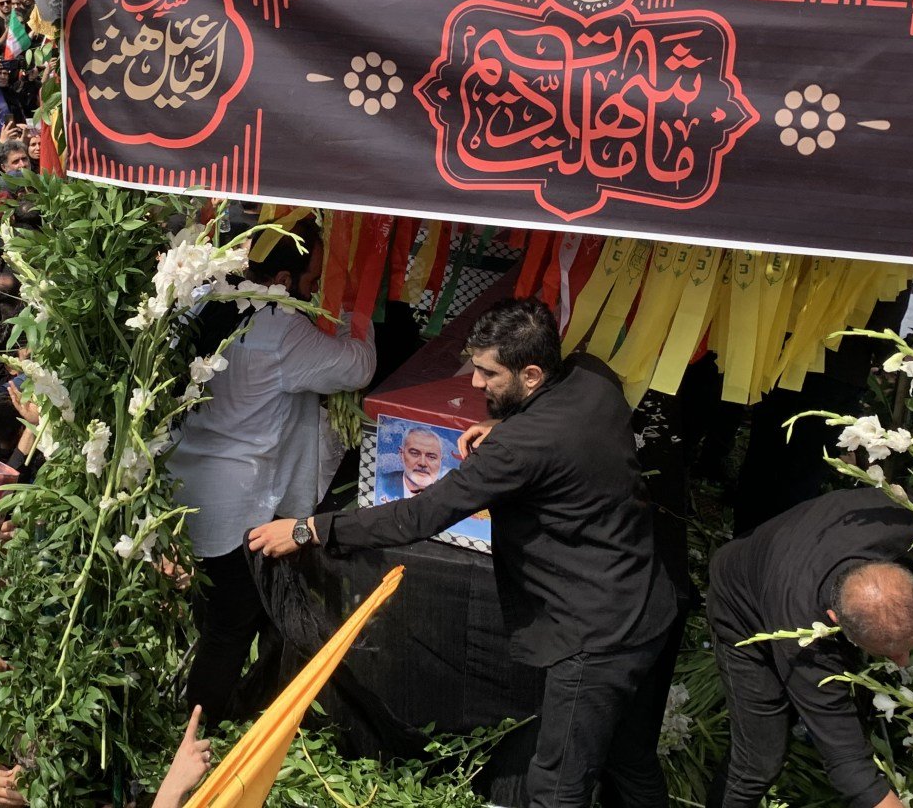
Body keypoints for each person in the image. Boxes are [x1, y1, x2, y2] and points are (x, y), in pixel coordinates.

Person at [250, 298, 679, 806]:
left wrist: (308, 529)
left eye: (487, 373)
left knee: (557, 785)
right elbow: (561, 432)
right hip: (651, 605)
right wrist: (506, 426)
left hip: (595, 635)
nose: (474, 384)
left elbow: (417, 516)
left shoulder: (519, 449)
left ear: (533, 375)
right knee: (632, 763)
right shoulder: (593, 378)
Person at [170, 224, 375, 724]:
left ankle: (217, 711)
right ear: (285, 276)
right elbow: (356, 367)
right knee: (230, 626)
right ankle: (196, 734)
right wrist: (358, 314)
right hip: (237, 501)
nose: (317, 290)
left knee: (215, 612)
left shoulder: (204, 301)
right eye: (315, 278)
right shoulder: (283, 326)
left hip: (183, 483)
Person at [703, 487, 913, 808]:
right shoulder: (802, 634)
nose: (903, 662)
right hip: (741, 603)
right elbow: (846, 762)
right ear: (834, 620)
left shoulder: (906, 524)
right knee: (759, 760)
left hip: (791, 550)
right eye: (890, 652)